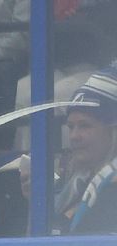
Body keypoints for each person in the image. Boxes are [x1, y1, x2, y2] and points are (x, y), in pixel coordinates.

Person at [54, 64, 117, 235]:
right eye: (70, 126)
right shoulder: (74, 184)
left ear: (113, 130)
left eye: (85, 126)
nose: (74, 136)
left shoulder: (113, 188)